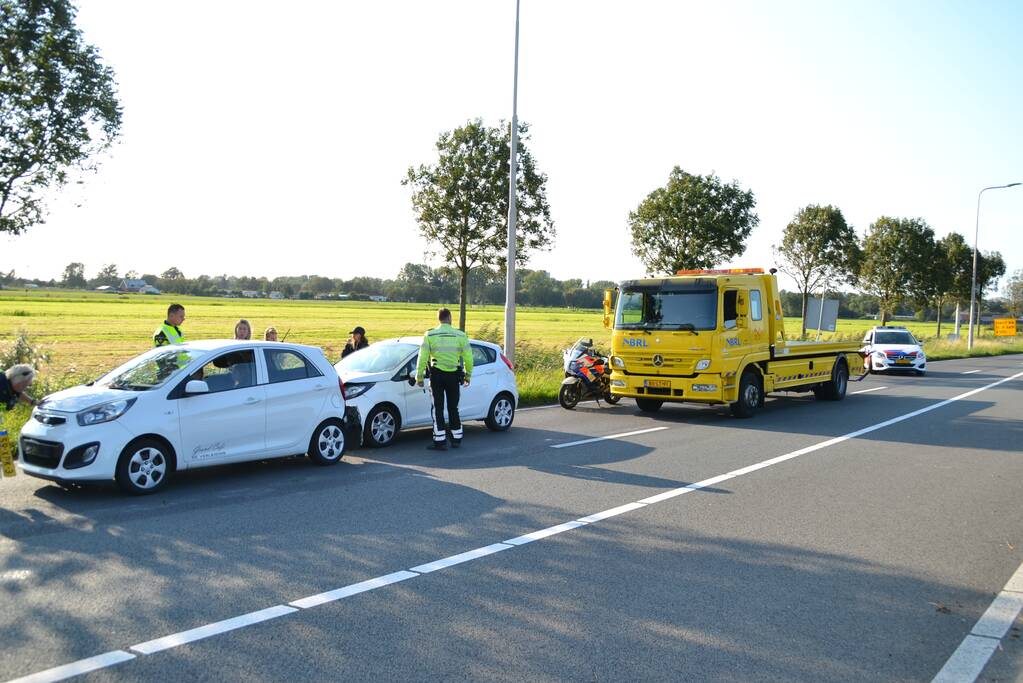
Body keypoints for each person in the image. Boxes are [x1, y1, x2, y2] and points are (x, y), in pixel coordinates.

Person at [415, 308, 473, 451]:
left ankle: (440, 441)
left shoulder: (430, 334)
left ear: (439, 318)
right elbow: (469, 358)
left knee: (438, 409)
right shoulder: (460, 335)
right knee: (454, 408)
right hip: (454, 375)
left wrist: (419, 376)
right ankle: (456, 439)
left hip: (437, 376)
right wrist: (468, 375)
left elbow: (422, 358)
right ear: (450, 317)